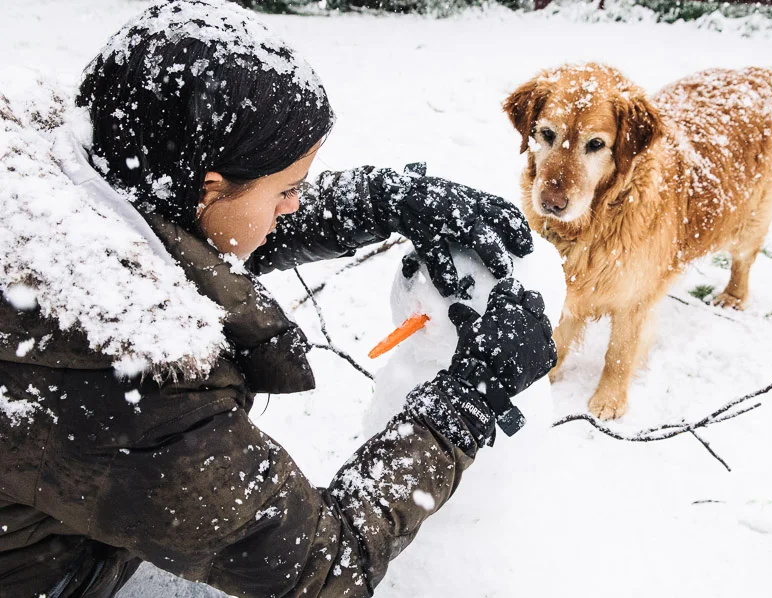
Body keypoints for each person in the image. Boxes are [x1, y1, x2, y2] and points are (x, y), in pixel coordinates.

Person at [0, 1, 556, 597]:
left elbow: (187, 228)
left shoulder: (58, 186)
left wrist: (381, 200)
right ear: (208, 187)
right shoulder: (134, 387)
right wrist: (469, 397)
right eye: (287, 189)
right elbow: (319, 568)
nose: (295, 204)